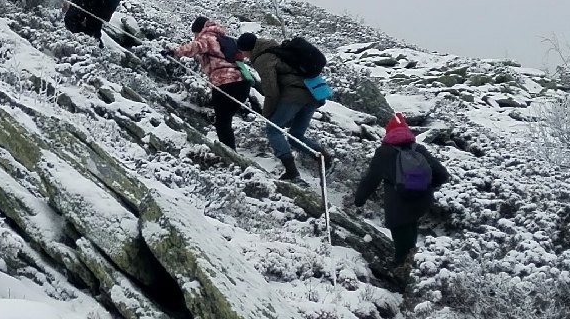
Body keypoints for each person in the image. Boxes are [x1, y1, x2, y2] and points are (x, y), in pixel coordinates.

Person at [349, 114, 444, 280]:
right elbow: (442, 174)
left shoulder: (384, 152)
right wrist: (426, 186)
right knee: (411, 225)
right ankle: (411, 259)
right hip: (422, 199)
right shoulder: (418, 148)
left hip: (398, 200)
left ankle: (402, 267)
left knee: (400, 229)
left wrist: (359, 200)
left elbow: (371, 179)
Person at [248, 35, 329, 181]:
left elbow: (271, 91)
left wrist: (267, 115)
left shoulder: (263, 59)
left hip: (295, 95)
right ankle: (326, 158)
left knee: (273, 129)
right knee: (296, 135)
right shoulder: (279, 50)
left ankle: (292, 172)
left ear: (247, 50)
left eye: (242, 53)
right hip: (314, 94)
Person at [173, 18, 250, 146]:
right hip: (242, 84)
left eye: (195, 34)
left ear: (199, 30)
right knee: (225, 120)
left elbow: (196, 47)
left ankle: (229, 155)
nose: (195, 37)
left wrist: (174, 51)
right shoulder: (225, 40)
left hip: (224, 83)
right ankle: (230, 151)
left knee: (222, 123)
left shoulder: (208, 37)